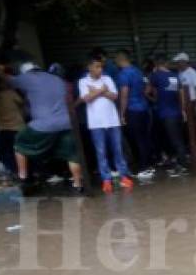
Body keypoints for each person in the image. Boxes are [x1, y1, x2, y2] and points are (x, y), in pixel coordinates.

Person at [0, 61, 85, 194]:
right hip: (67, 123)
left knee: (19, 143)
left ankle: (23, 178)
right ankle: (78, 184)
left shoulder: (28, 78)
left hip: (44, 125)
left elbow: (7, 79)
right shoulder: (57, 79)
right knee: (72, 155)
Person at [78, 54, 133, 193]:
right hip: (96, 123)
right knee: (101, 152)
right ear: (89, 67)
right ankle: (106, 179)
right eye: (96, 67)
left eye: (101, 67)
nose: (100, 69)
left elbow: (115, 96)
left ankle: (123, 176)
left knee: (118, 149)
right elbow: (86, 99)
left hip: (112, 121)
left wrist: (97, 91)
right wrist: (103, 90)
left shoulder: (107, 78)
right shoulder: (83, 81)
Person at [146, 53, 189, 175]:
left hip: (164, 114)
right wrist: (183, 110)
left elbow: (147, 91)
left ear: (157, 64)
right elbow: (180, 95)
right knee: (178, 139)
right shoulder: (175, 76)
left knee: (172, 140)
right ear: (166, 64)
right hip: (176, 112)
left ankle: (182, 166)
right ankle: (180, 163)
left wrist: (153, 100)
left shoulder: (155, 76)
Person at [114, 50, 154, 178]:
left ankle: (143, 167)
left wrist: (121, 113)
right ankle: (148, 164)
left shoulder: (123, 74)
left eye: (115, 60)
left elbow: (124, 94)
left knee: (136, 140)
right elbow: (148, 86)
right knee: (144, 138)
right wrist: (142, 95)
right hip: (144, 108)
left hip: (132, 110)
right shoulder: (138, 71)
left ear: (120, 59)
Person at [0, 76, 24, 175]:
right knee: (19, 152)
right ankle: (20, 172)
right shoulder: (11, 93)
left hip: (4, 129)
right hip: (17, 127)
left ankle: (15, 171)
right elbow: (22, 102)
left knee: (2, 153)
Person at [173, 53, 196, 159]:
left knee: (194, 126)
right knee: (186, 127)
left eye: (178, 62)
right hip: (184, 103)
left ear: (184, 61)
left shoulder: (192, 72)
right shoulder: (180, 73)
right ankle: (191, 148)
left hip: (192, 101)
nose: (177, 63)